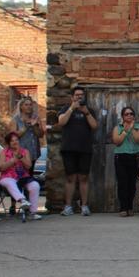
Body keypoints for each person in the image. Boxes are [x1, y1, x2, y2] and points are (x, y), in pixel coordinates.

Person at [57, 87, 97, 216]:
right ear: (72, 97)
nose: (79, 97)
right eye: (77, 95)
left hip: (85, 149)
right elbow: (61, 122)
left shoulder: (89, 110)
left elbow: (94, 126)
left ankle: (84, 205)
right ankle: (68, 206)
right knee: (70, 177)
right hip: (69, 148)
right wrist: (71, 109)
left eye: (81, 95)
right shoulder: (65, 109)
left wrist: (86, 113)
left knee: (84, 177)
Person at [0, 131, 42, 221]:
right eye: (12, 141)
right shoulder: (4, 152)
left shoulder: (25, 151)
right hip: (8, 176)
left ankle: (32, 212)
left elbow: (29, 166)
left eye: (16, 140)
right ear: (8, 143)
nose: (15, 142)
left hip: (23, 177)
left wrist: (21, 158)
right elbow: (1, 167)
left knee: (35, 186)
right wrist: (13, 160)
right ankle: (22, 200)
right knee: (10, 183)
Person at [112, 106, 139, 217]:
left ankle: (130, 207)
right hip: (121, 157)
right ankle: (123, 208)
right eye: (126, 114)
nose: (129, 116)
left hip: (134, 157)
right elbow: (117, 142)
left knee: (132, 184)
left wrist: (132, 129)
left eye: (131, 114)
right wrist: (125, 131)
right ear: (122, 116)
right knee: (122, 183)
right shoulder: (118, 128)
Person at [12, 96, 45, 161]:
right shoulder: (15, 119)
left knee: (32, 170)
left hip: (34, 152)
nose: (29, 107)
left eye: (30, 105)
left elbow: (41, 135)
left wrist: (34, 126)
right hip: (21, 154)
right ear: (21, 107)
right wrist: (27, 126)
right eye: (26, 105)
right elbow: (13, 136)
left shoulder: (36, 118)